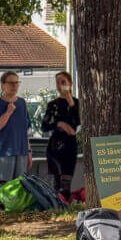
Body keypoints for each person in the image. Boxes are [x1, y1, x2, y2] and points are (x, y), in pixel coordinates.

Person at [0, 71, 32, 182]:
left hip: (21, 154)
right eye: (11, 83)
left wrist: (29, 152)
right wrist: (8, 113)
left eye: (16, 83)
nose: (14, 86)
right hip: (1, 154)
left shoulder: (21, 103)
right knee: (1, 189)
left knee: (19, 188)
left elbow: (24, 131)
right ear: (3, 85)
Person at [41, 71, 80, 200]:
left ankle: (65, 205)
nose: (60, 85)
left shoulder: (77, 103)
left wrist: (71, 103)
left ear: (70, 83)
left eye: (63, 82)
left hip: (70, 145)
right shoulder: (53, 104)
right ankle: (56, 205)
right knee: (56, 183)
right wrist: (60, 124)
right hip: (55, 146)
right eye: (57, 83)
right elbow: (44, 126)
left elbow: (78, 123)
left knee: (66, 182)